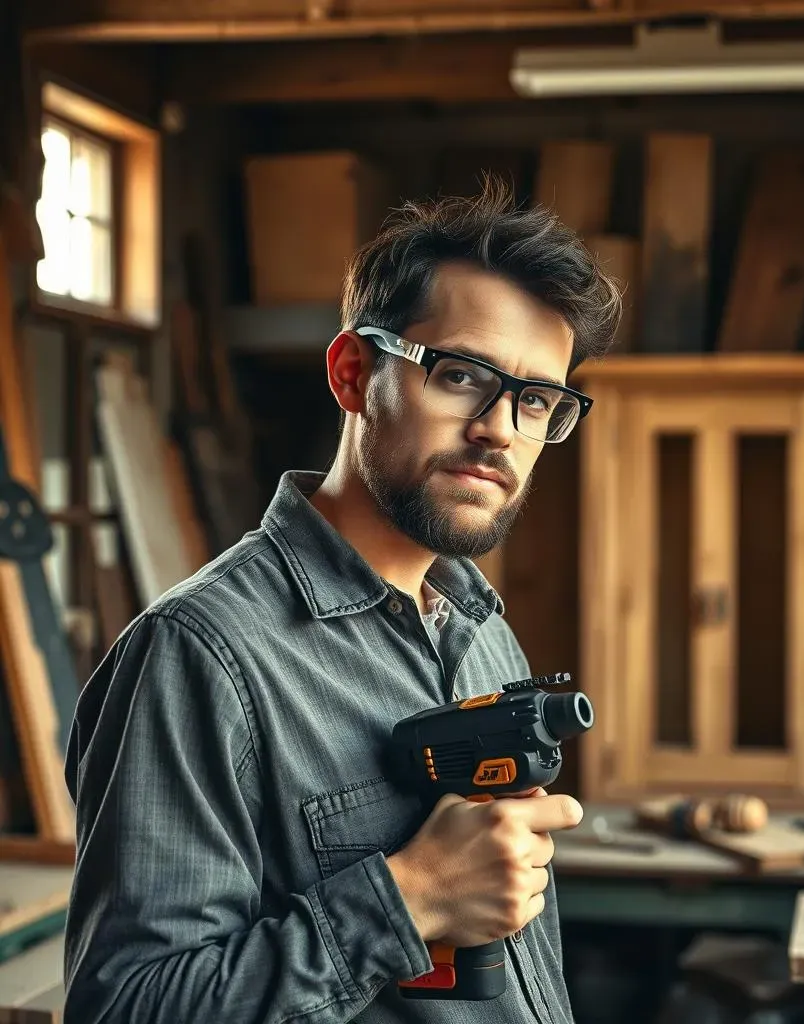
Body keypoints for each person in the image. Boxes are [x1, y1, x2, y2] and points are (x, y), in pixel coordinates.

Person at [62, 178, 622, 1023]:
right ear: (355, 373)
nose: (501, 429)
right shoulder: (199, 657)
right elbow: (127, 1007)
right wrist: (408, 900)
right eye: (462, 375)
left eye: (537, 400)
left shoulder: (480, 630)